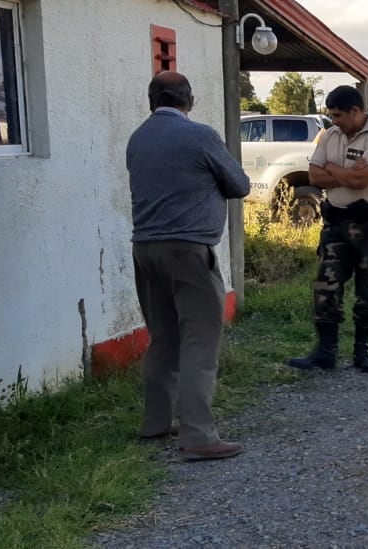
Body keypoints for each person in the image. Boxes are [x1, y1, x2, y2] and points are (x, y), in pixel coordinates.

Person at [127, 71, 249, 461]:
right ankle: (198, 436)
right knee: (200, 340)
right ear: (188, 99)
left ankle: (156, 423)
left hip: (145, 249)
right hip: (188, 250)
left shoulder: (138, 138)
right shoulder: (199, 136)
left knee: (163, 337)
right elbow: (241, 184)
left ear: (151, 100)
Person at [288, 85, 368, 373]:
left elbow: (363, 180)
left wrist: (333, 170)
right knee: (326, 285)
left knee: (367, 289)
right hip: (336, 220)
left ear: (356, 111)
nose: (334, 120)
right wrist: (346, 172)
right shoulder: (329, 135)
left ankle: (362, 352)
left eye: (338, 115)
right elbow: (313, 174)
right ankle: (325, 353)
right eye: (331, 115)